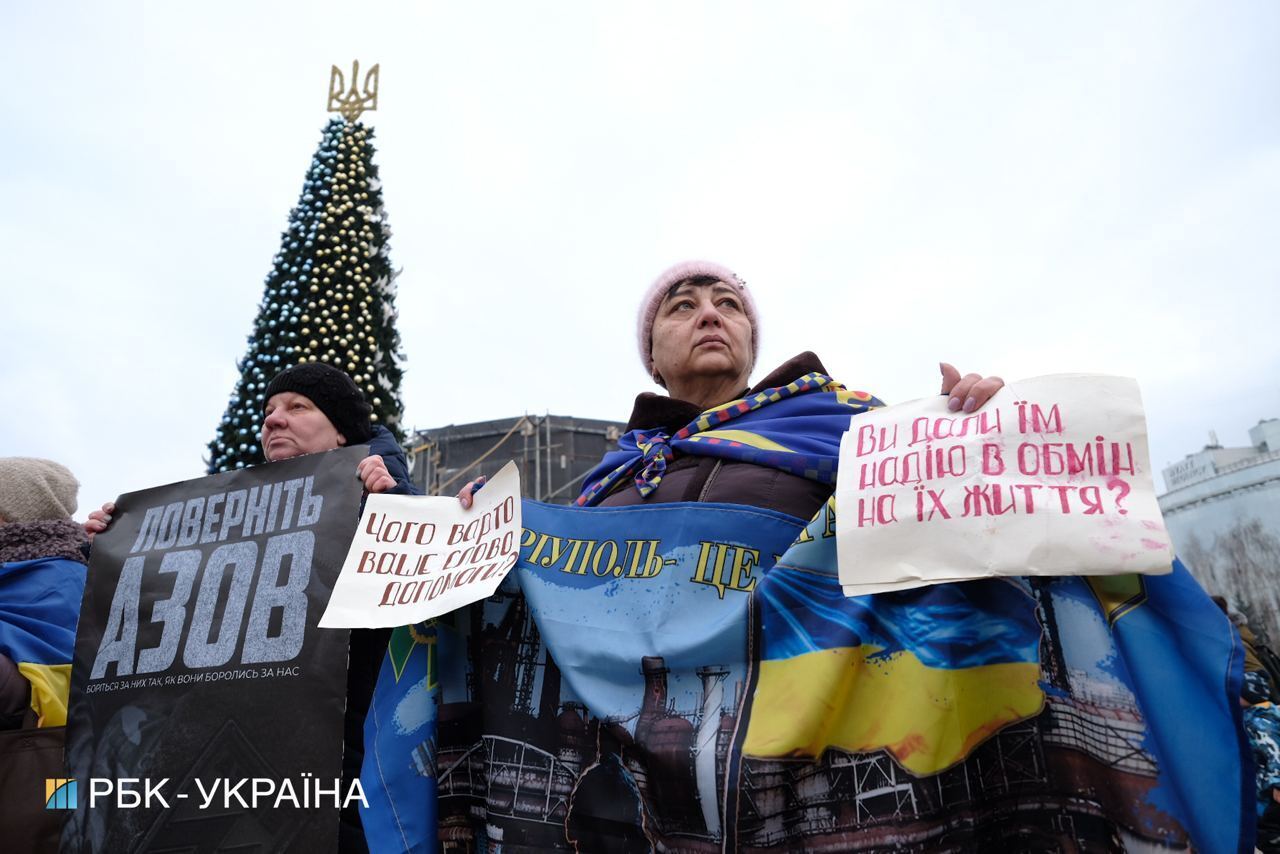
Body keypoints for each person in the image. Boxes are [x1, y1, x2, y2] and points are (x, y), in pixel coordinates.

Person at [83, 362, 419, 854]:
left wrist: (394, 508)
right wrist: (111, 550)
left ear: (343, 432)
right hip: (218, 786)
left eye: (298, 407)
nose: (273, 420)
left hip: (340, 783)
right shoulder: (230, 519)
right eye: (268, 410)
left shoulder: (383, 494)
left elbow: (428, 601)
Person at [0, 457, 89, 853]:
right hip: (50, 750)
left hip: (52, 751)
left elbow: (64, 665)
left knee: (57, 833)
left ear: (13, 512)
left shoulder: (68, 576)